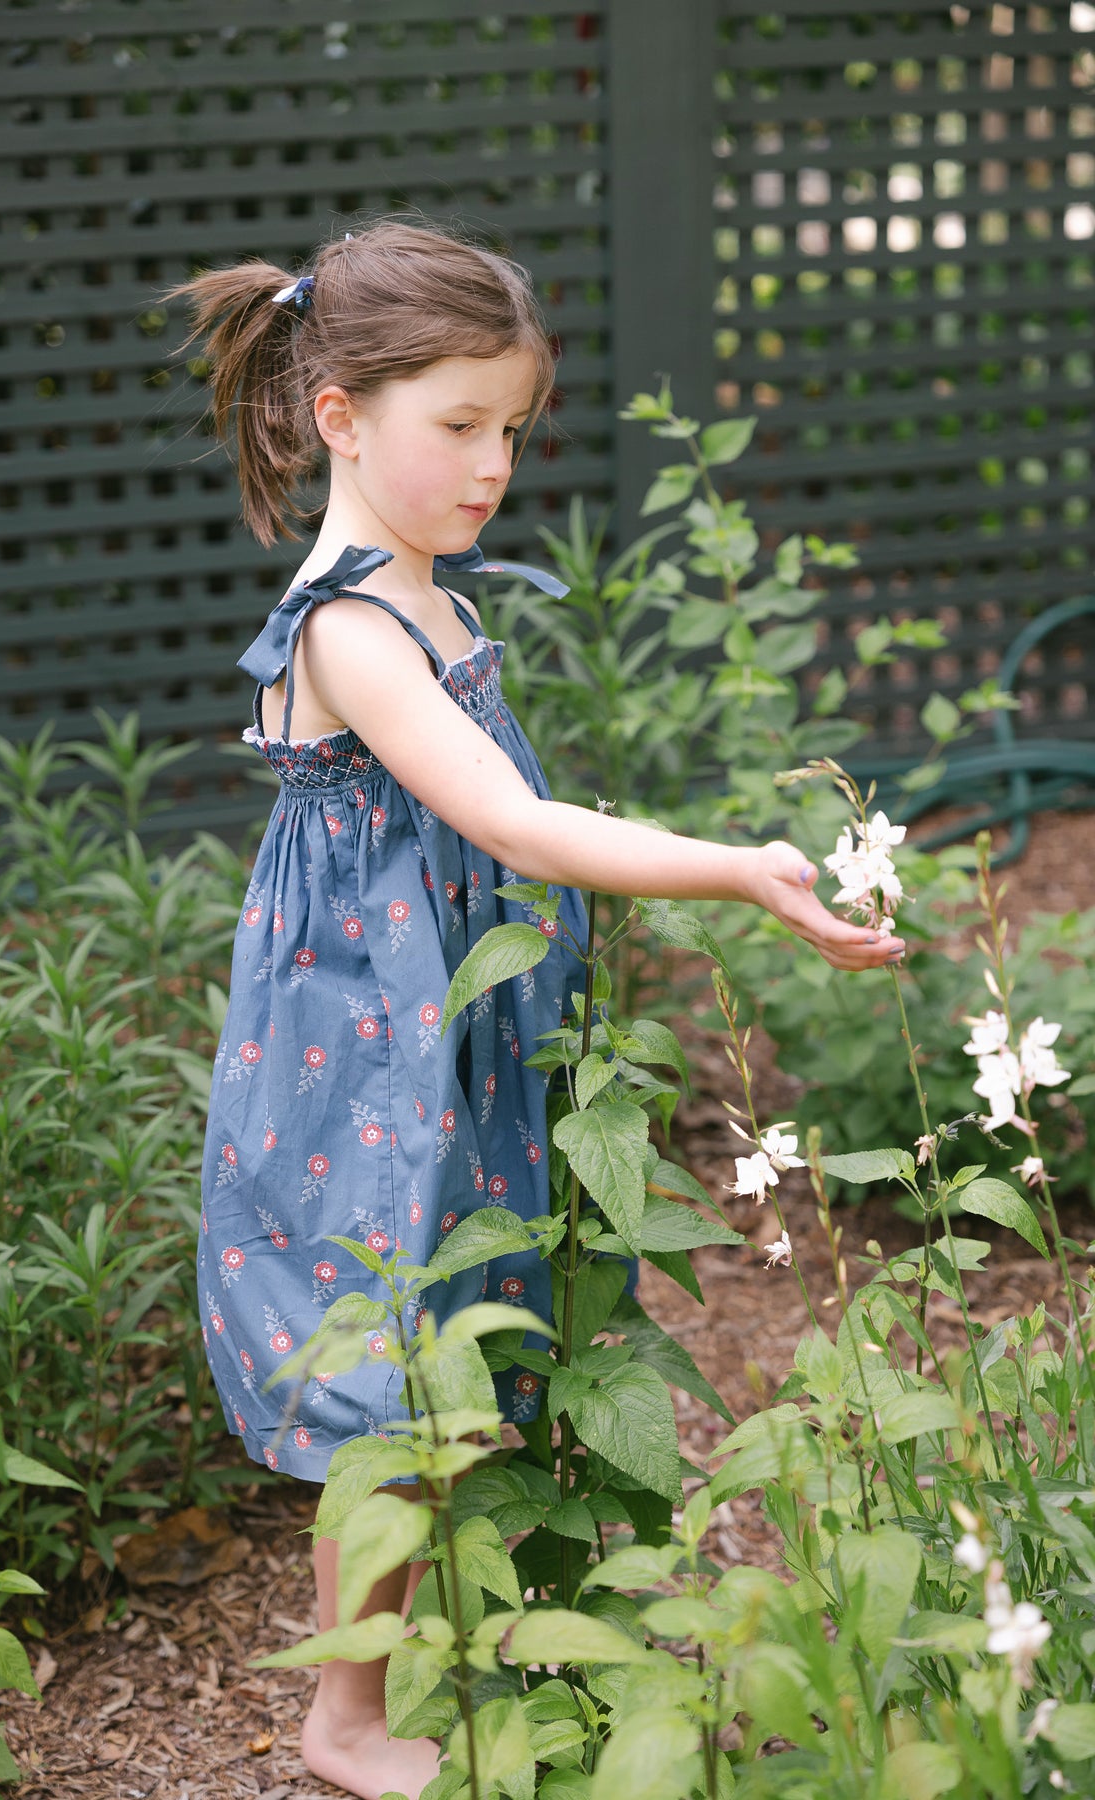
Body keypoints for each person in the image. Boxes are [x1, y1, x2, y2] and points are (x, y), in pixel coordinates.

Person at [174, 217, 905, 1800]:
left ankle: (479, 1626)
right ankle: (345, 1719)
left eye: (510, 426)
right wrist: (736, 867)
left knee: (470, 1314)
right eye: (458, 427)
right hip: (365, 1046)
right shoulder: (358, 628)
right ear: (340, 418)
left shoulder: (426, 585)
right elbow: (510, 825)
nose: (494, 462)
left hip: (439, 1022)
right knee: (385, 1351)